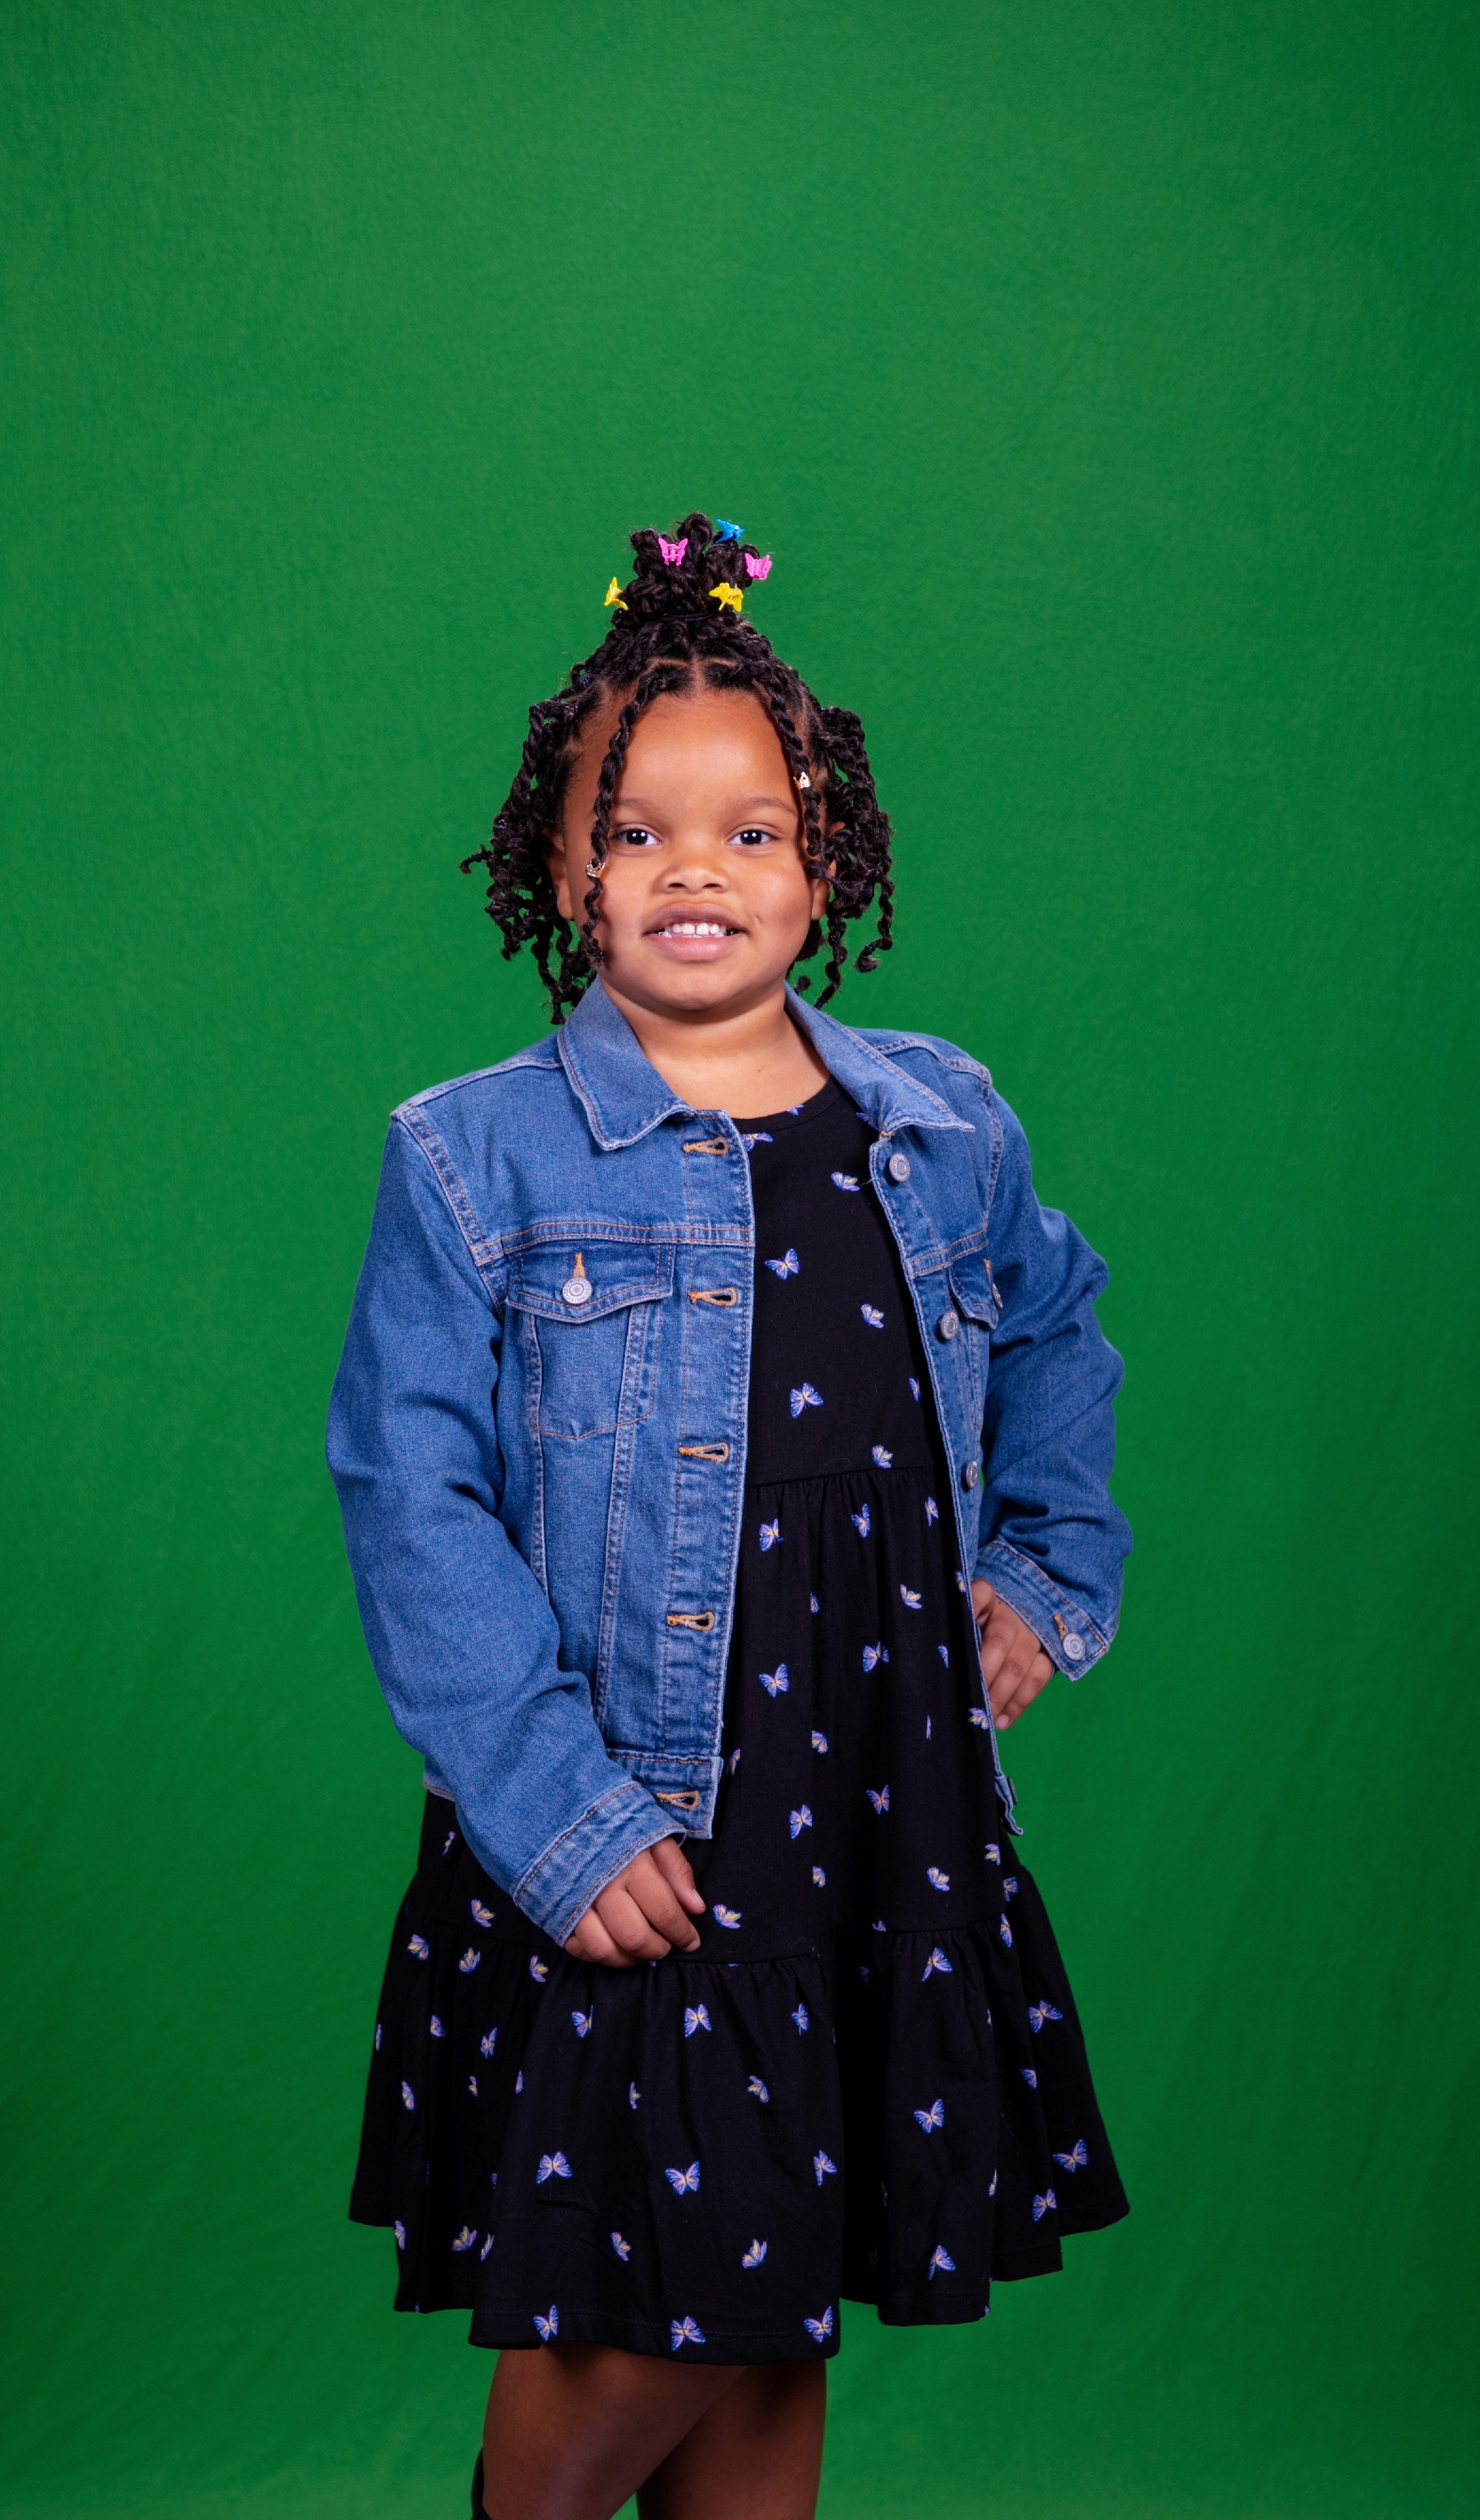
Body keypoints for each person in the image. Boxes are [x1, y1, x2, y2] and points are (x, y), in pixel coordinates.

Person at [327, 513, 1133, 2520]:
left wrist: (1041, 1575)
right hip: (645, 1800)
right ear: (559, 872)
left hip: (870, 1780)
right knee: (657, 2285)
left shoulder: (936, 1122)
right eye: (637, 830)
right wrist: (556, 1811)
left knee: (775, 2290)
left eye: (749, 829)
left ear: (823, 862)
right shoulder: (476, 1157)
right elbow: (409, 1493)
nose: (695, 868)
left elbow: (1056, 1325)